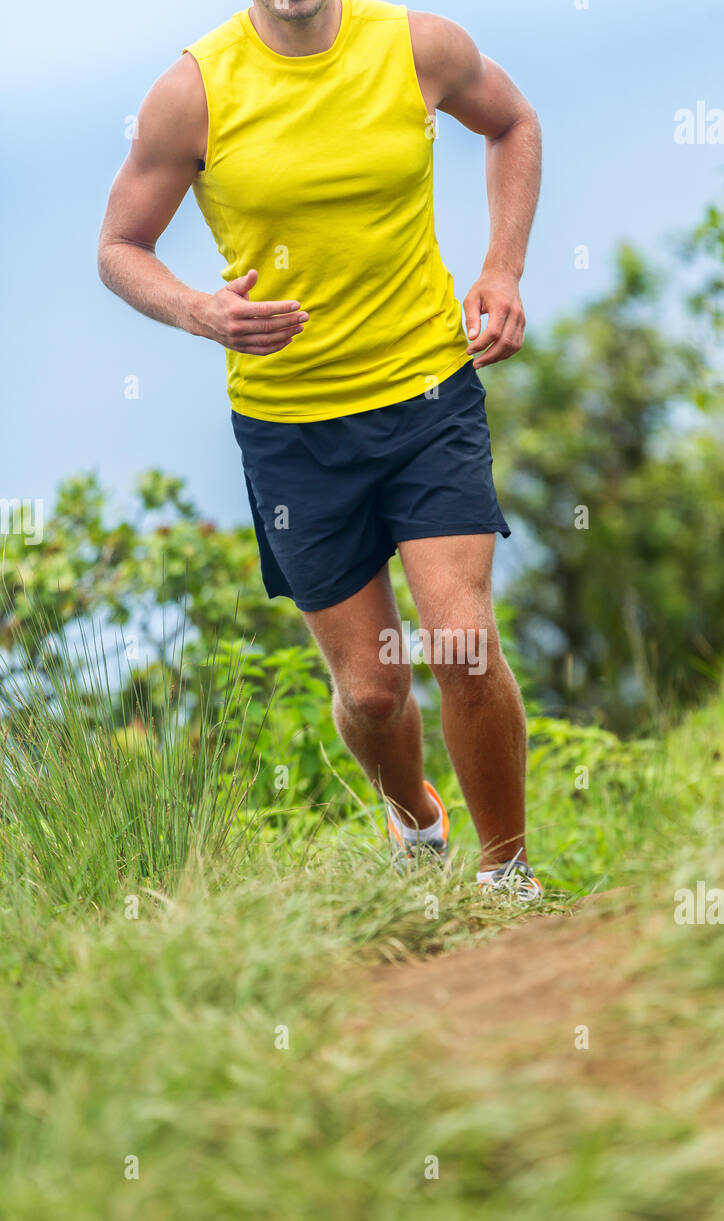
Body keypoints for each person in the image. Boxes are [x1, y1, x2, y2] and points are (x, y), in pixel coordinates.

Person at [98, 1, 543, 900]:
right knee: (373, 691)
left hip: (426, 393)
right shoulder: (194, 92)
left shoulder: (415, 44)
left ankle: (509, 874)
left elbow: (514, 123)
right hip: (292, 430)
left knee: (459, 641)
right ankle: (418, 821)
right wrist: (201, 310)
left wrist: (502, 267)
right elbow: (119, 246)